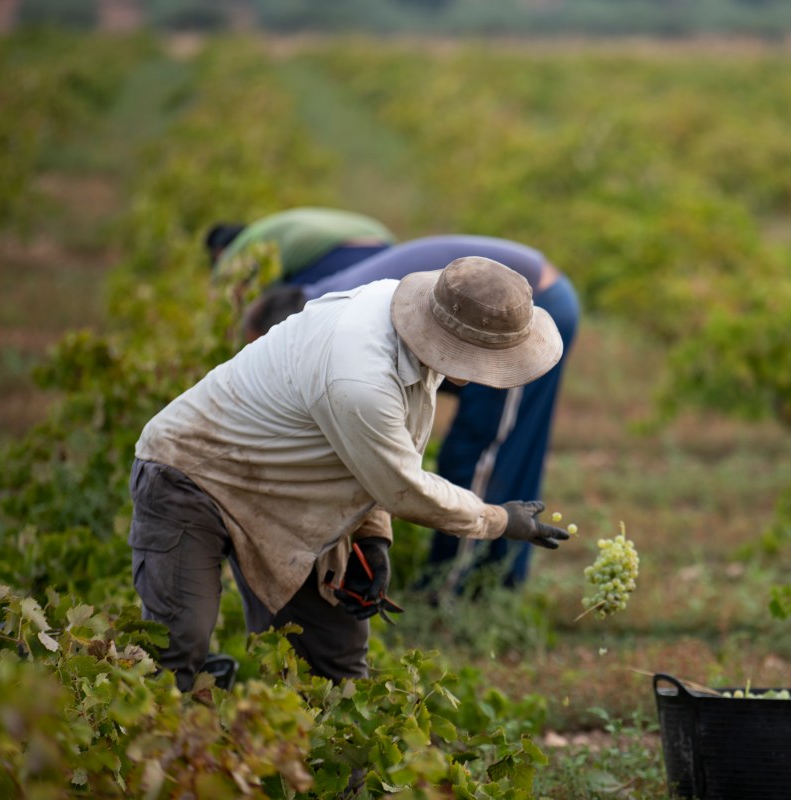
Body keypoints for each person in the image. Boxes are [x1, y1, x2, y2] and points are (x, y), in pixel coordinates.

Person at [128, 257, 571, 691]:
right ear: (450, 340)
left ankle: (274, 735)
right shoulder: (361, 380)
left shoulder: (412, 324)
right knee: (176, 650)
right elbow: (405, 487)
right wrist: (498, 519)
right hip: (192, 473)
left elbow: (378, 455)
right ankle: (170, 728)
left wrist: (372, 539)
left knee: (334, 664)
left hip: (292, 491)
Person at [243, 235, 581, 596]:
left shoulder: (338, 333)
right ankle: (493, 579)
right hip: (499, 307)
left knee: (481, 452)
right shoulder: (328, 307)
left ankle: (451, 590)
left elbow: (397, 478)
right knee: (499, 449)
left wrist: (498, 520)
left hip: (518, 311)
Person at [205, 206, 397, 286]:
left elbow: (221, 286)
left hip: (340, 253)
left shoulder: (235, 251)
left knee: (287, 307)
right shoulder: (268, 228)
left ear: (219, 252)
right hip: (384, 245)